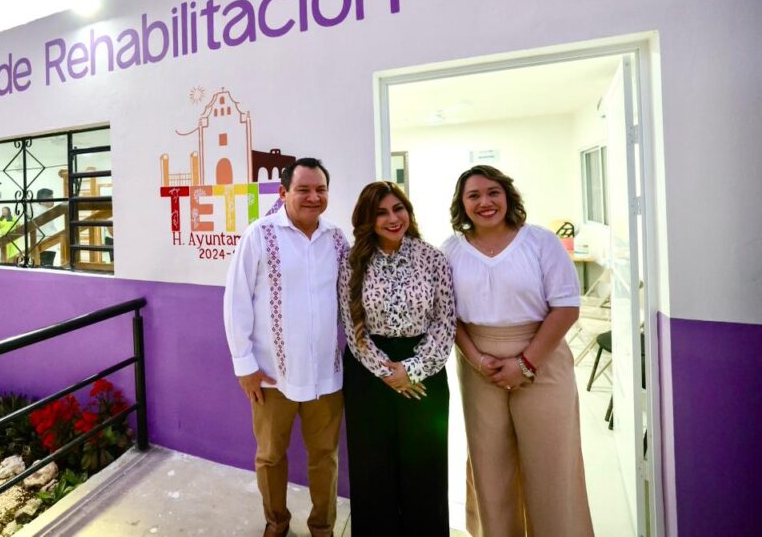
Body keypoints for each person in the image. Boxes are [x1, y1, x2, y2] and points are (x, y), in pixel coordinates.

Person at [443, 165, 594, 537]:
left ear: (507, 195)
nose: (485, 202)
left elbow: (566, 307)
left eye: (493, 192)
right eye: (474, 195)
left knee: (550, 463)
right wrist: (477, 360)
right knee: (490, 465)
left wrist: (526, 364)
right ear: (462, 204)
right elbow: (447, 315)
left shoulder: (540, 242)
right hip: (479, 367)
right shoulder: (450, 251)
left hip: (543, 361)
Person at [223, 157, 348, 537]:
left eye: (320, 189)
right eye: (303, 189)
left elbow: (349, 299)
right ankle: (276, 522)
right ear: (283, 192)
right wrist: (244, 365)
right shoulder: (259, 235)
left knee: (325, 457)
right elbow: (237, 300)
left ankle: (323, 526)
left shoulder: (337, 239)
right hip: (272, 375)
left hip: (326, 375)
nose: (313, 197)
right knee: (270, 456)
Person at [338, 181, 455, 535]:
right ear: (367, 219)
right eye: (381, 213)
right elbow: (352, 326)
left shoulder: (432, 258)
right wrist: (388, 373)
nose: (392, 218)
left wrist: (412, 370)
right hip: (368, 373)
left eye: (398, 208)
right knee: (373, 471)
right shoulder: (352, 261)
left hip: (424, 372)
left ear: (408, 211)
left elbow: (445, 322)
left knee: (425, 469)